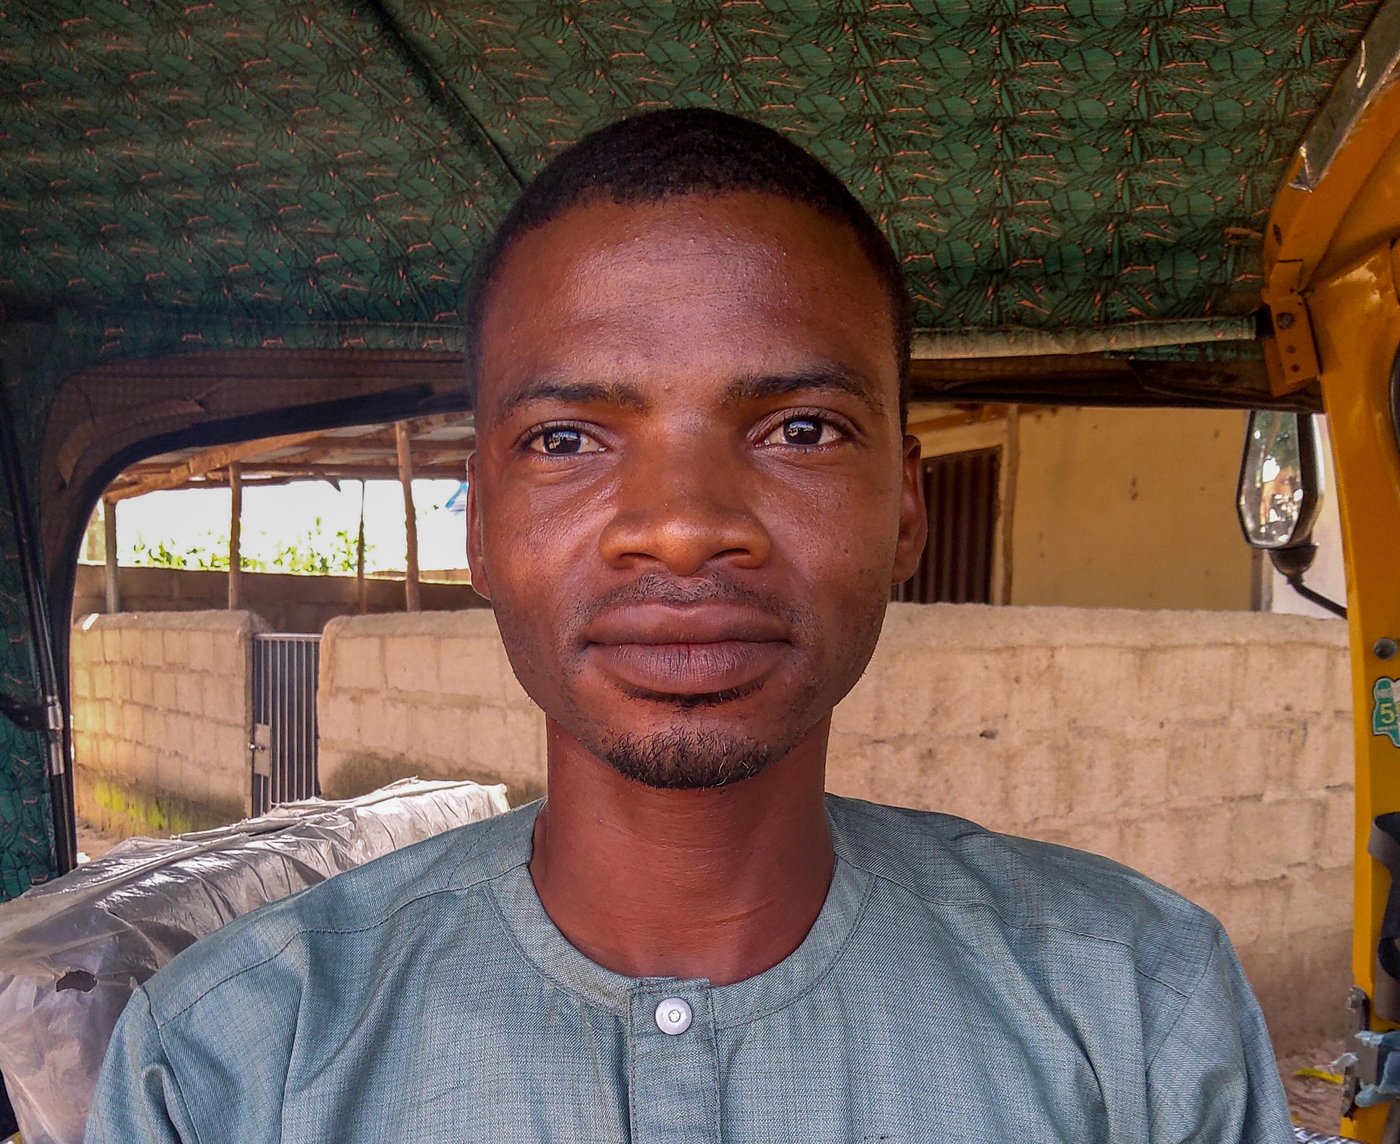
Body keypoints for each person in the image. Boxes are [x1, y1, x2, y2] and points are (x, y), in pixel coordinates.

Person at [87, 108, 1291, 1142]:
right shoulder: (226, 1064)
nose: (679, 527)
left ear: (906, 509)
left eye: (799, 429)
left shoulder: (1133, 1010)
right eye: (567, 439)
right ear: (479, 525)